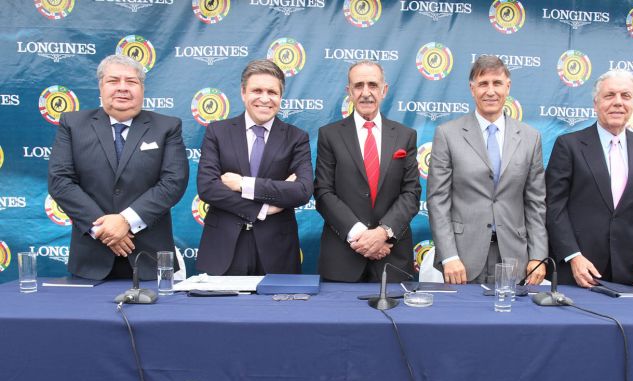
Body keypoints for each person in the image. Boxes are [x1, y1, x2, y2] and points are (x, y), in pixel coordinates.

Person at [48, 54, 188, 280]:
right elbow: (60, 182)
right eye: (113, 81)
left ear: (142, 88)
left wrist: (126, 221)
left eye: (131, 81)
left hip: (150, 262)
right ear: (101, 86)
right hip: (90, 261)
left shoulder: (167, 127)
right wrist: (105, 230)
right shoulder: (72, 124)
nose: (122, 88)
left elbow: (173, 182)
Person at [427, 55, 547, 285]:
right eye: (483, 84)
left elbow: (536, 203)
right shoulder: (447, 134)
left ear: (507, 87)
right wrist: (449, 256)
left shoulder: (530, 137)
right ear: (472, 89)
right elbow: (438, 201)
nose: (490, 91)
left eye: (497, 83)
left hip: (515, 258)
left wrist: (538, 256)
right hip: (462, 260)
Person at [546, 69, 633, 288]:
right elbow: (554, 207)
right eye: (609, 95)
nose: (618, 102)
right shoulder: (568, 146)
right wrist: (573, 255)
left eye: (625, 96)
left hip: (630, 275)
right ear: (596, 104)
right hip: (578, 274)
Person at [196, 59, 313, 275]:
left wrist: (243, 184)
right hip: (224, 249)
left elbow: (302, 191)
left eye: (272, 92)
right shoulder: (217, 132)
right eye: (257, 90)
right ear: (243, 93)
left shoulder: (296, 138)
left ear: (281, 96)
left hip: (276, 252)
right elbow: (208, 187)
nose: (265, 98)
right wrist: (262, 209)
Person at [314, 61, 420, 282]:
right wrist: (362, 237)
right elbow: (323, 193)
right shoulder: (329, 135)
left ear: (384, 90)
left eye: (372, 85)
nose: (365, 93)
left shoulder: (405, 136)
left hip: (392, 258)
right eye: (358, 85)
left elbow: (411, 193)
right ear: (349, 91)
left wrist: (382, 233)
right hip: (342, 260)